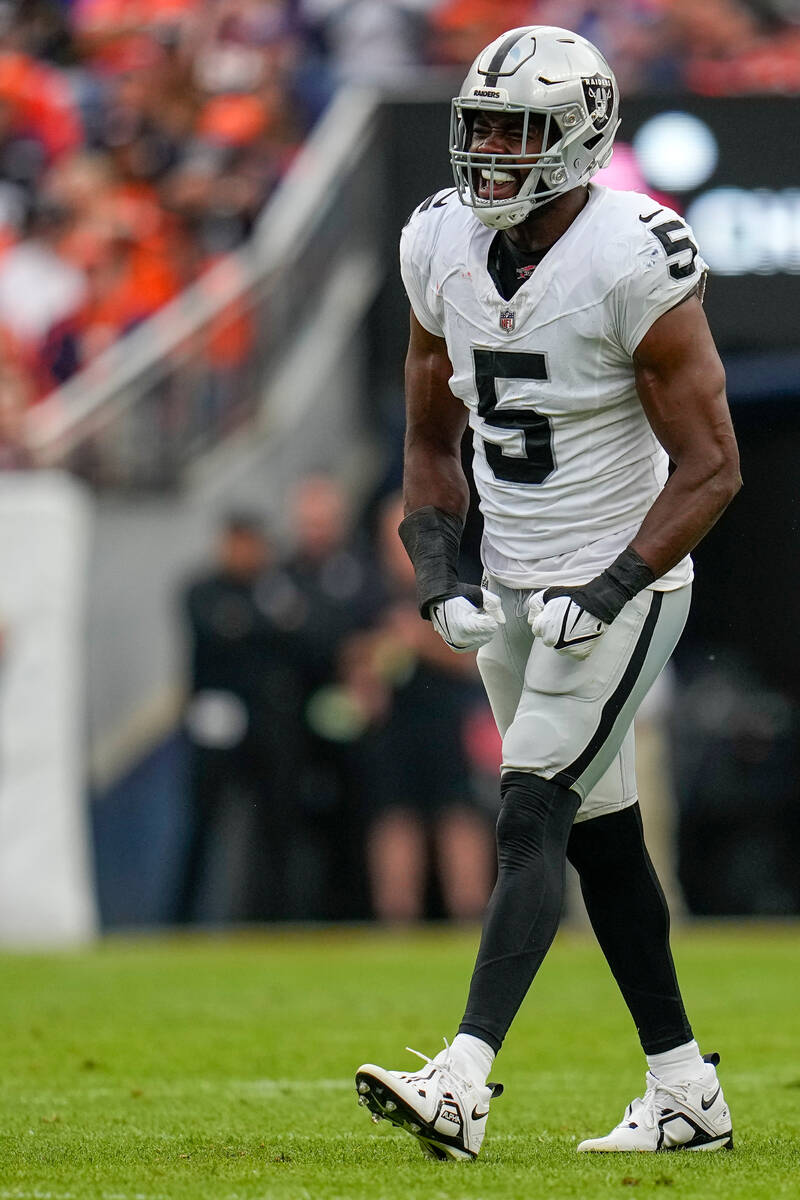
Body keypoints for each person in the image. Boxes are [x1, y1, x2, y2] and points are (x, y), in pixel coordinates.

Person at [355, 25, 741, 1161]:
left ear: (579, 133)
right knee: (599, 835)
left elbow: (712, 464)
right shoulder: (435, 241)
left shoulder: (634, 254)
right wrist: (439, 579)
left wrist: (616, 581)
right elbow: (429, 440)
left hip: (623, 578)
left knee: (530, 810)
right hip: (514, 581)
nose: (488, 150)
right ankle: (683, 1093)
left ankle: (462, 1079)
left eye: (514, 129)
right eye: (477, 125)